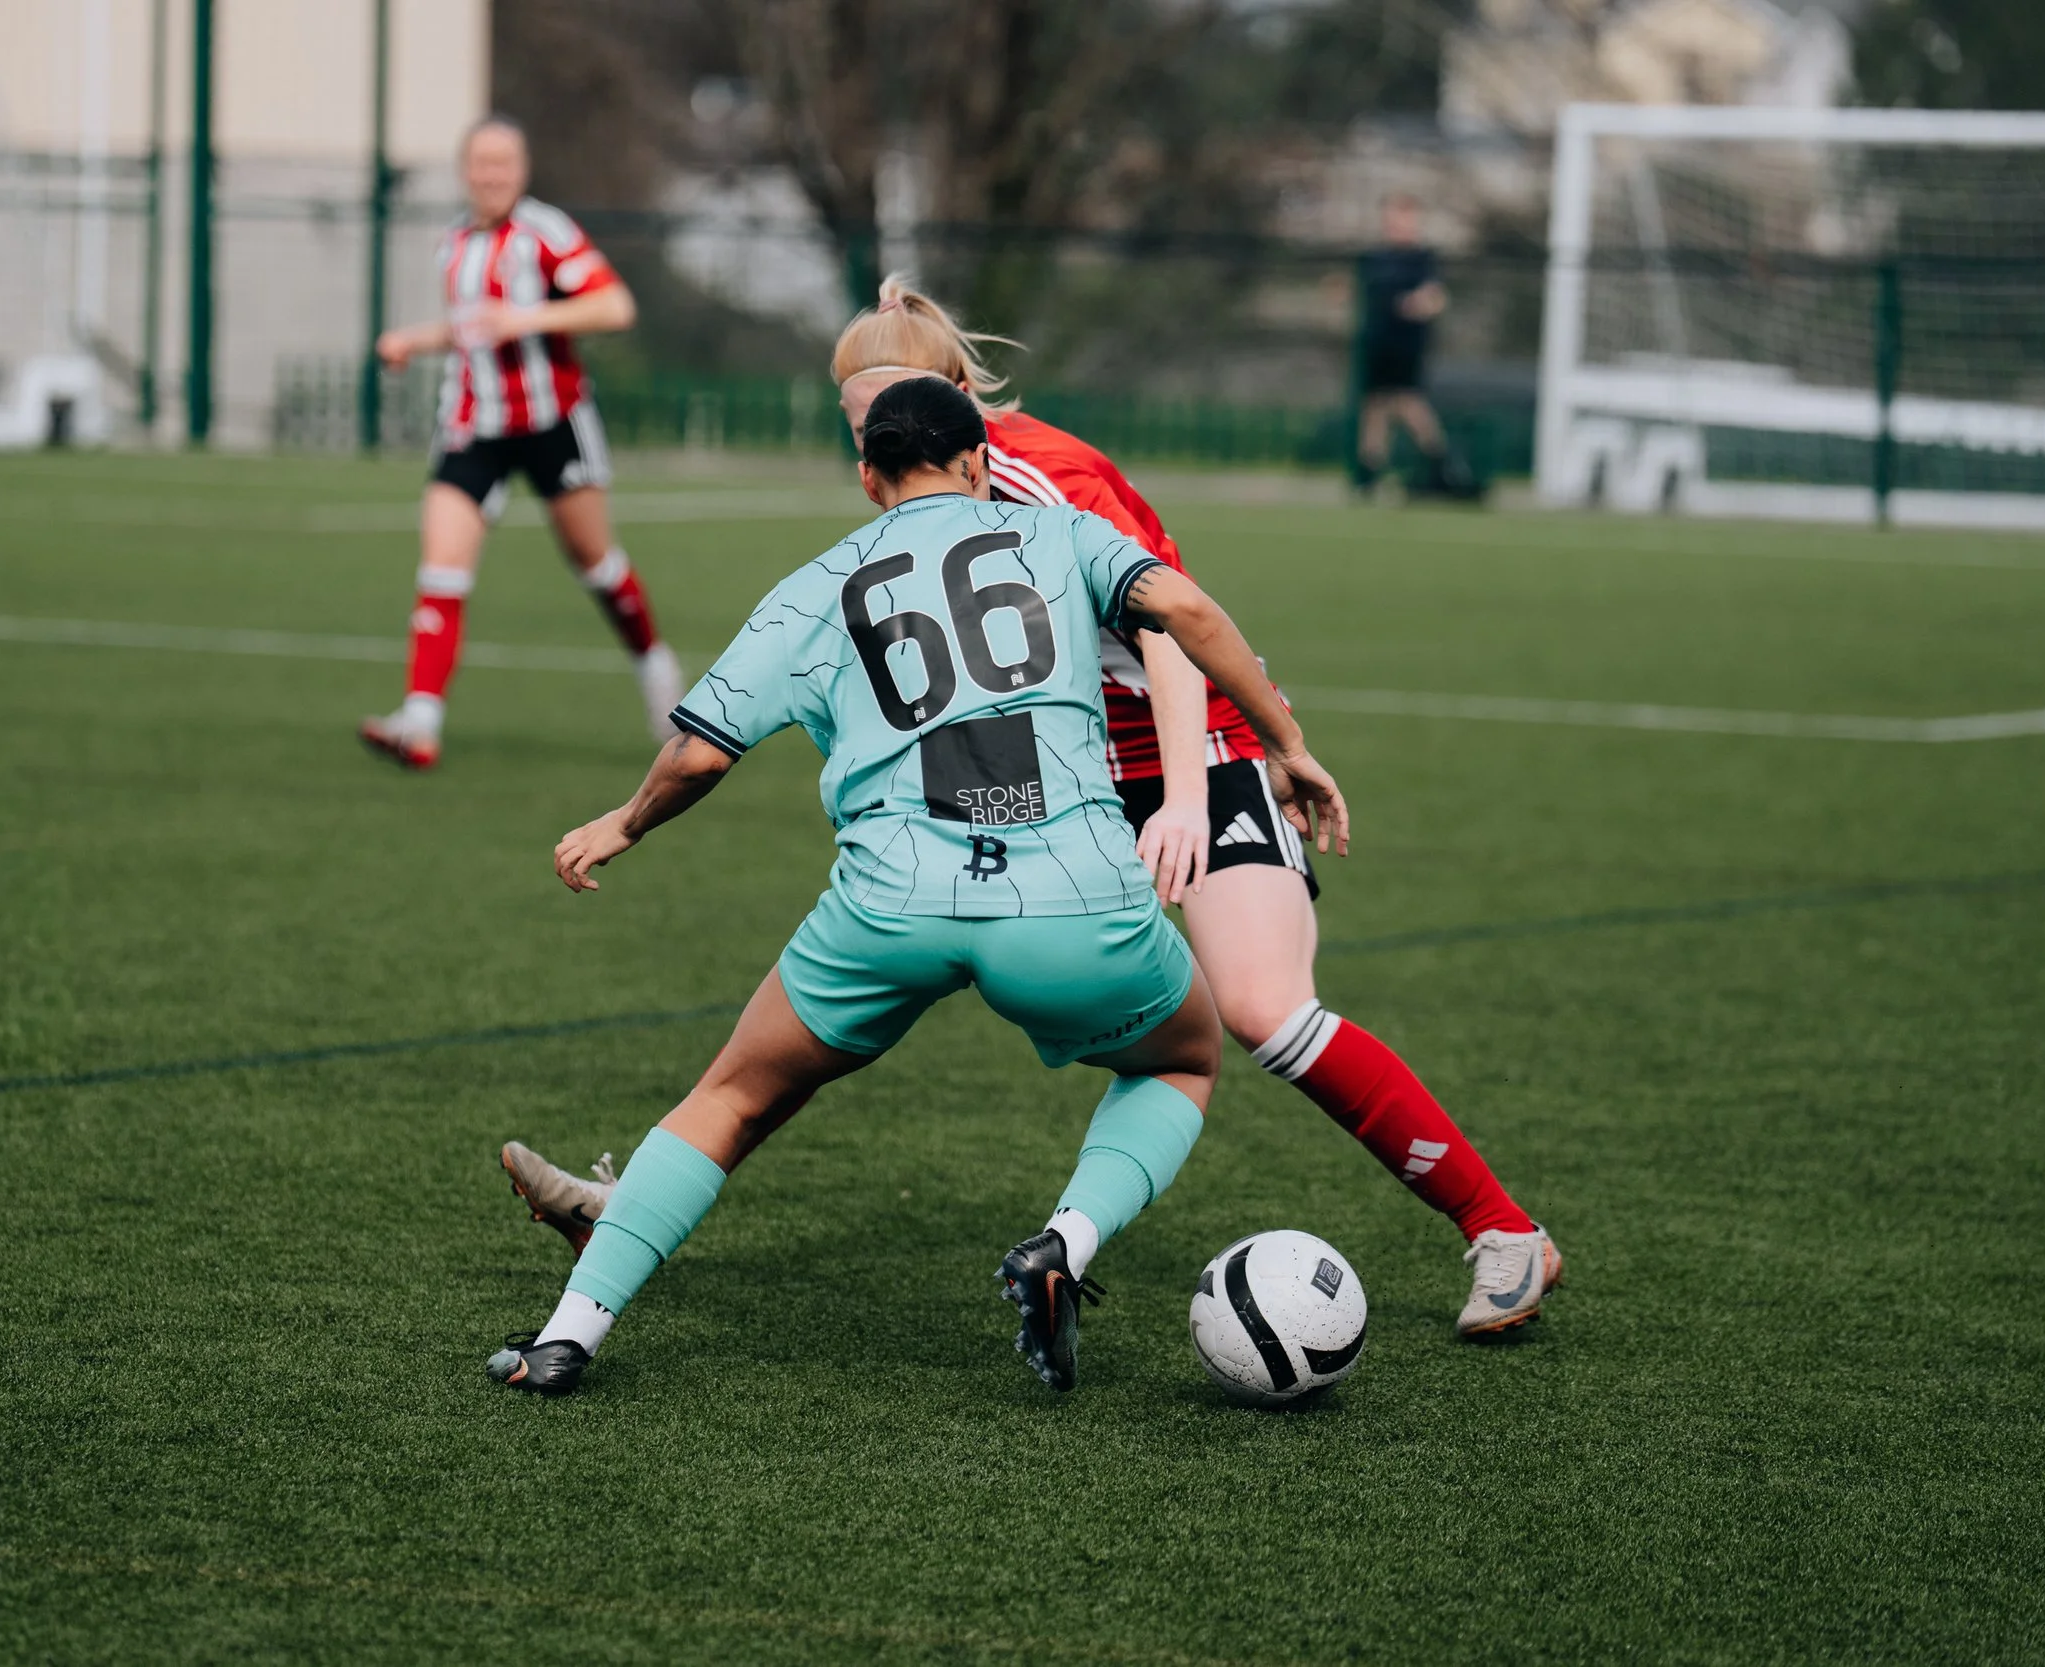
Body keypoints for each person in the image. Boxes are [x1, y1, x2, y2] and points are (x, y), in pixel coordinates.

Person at [503, 279, 1561, 1339]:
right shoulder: (934, 470)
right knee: (825, 1017)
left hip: (1191, 747)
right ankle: (636, 1202)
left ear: (958, 399)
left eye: (884, 408)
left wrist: (1203, 787)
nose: (869, 436)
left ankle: (1500, 1228)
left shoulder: (1040, 474)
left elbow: (1167, 631)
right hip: (1069, 770)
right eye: (857, 417)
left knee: (1261, 1011)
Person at [485, 375, 1349, 1397]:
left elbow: (699, 753)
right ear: (980, 460)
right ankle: (1063, 1242)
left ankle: (566, 1335)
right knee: (1183, 1060)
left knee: (732, 1095)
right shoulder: (1060, 533)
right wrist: (1285, 744)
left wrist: (622, 823)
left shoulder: (818, 581)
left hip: (891, 904)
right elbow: (1188, 611)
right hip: (1072, 898)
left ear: (868, 476)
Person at [359, 116, 683, 770]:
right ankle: (420, 721)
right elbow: (470, 328)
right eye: (481, 163)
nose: (492, 175)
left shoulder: (547, 233)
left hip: (551, 423)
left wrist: (527, 317)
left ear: (522, 170)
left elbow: (614, 307)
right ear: (465, 170)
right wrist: (412, 341)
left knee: (597, 564)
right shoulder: (453, 242)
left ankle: (654, 664)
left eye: (503, 163)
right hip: (472, 426)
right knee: (442, 566)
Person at [1351, 194, 1479, 501]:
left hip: (1406, 346)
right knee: (1375, 405)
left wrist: (1421, 303)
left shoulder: (1423, 259)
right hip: (1377, 343)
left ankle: (1441, 464)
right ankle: (1369, 473)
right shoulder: (1375, 258)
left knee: (1408, 401)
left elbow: (1435, 297)